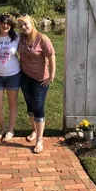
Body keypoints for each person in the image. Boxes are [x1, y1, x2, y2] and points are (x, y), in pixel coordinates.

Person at [17, 14, 56, 153]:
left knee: (38, 106)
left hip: (40, 79)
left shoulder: (42, 39)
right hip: (25, 76)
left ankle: (40, 139)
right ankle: (34, 130)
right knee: (30, 104)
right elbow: (3, 33)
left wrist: (51, 75)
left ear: (32, 23)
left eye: (26, 24)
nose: (23, 27)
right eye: (21, 26)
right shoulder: (21, 37)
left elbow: (51, 56)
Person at [0, 14, 21, 142]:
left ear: (11, 25)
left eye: (8, 23)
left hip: (13, 74)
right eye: (3, 22)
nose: (5, 25)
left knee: (12, 103)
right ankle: (2, 128)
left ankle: (10, 130)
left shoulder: (16, 37)